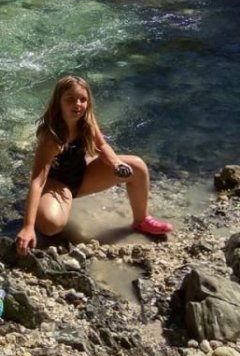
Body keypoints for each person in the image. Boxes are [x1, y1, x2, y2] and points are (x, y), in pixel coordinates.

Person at [15, 75, 173, 256]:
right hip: (57, 184)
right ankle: (41, 210)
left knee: (137, 167)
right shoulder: (52, 137)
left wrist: (115, 164)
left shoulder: (86, 121)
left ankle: (141, 220)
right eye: (70, 99)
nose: (78, 104)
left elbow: (102, 146)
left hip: (82, 176)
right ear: (58, 102)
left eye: (83, 99)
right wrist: (28, 227)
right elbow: (37, 181)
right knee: (51, 225)